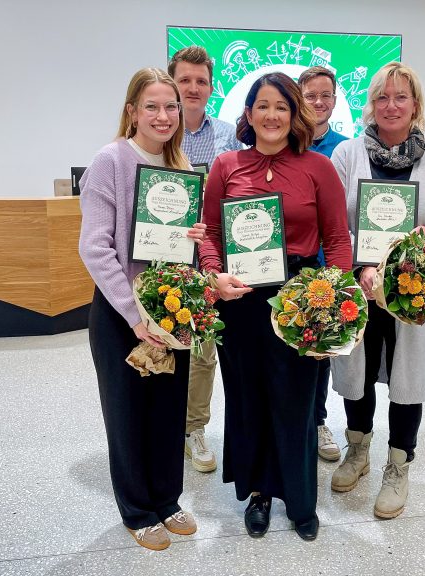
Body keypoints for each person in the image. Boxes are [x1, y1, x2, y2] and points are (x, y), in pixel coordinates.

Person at [199, 72, 352, 541]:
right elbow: (209, 234)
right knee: (249, 399)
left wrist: (338, 307)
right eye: (262, 106)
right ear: (248, 115)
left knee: (298, 401)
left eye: (281, 107)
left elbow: (336, 239)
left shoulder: (317, 168)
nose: (271, 115)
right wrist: (214, 274)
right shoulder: (226, 166)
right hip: (241, 300)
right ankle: (260, 493)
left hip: (301, 299)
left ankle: (301, 497)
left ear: (295, 114)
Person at [78, 68, 206, 551]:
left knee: (168, 411)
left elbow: (180, 252)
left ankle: (167, 500)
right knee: (129, 413)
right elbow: (96, 248)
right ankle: (137, 510)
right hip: (122, 314)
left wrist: (194, 243)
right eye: (151, 106)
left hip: (172, 312)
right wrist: (135, 315)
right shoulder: (109, 162)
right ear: (132, 110)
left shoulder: (182, 169)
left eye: (171, 107)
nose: (163, 115)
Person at [329, 61, 425, 519]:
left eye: (400, 97)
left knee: (408, 379)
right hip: (358, 285)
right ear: (372, 104)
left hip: (411, 289)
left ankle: (399, 465)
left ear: (415, 105)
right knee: (356, 373)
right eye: (382, 97)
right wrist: (360, 264)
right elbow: (333, 225)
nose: (391, 105)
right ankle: (358, 450)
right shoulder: (348, 154)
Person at [168, 46, 242, 474]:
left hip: (212, 258)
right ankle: (164, 425)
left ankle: (194, 429)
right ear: (172, 82)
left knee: (203, 349)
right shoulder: (160, 134)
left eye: (201, 81)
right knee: (159, 342)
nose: (193, 88)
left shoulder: (229, 135)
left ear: (211, 87)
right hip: (163, 259)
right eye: (185, 80)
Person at [297, 66, 349, 463]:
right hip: (285, 268)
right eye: (310, 95)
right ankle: (290, 424)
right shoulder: (287, 144)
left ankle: (316, 422)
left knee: (320, 350)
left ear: (335, 99)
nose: (318, 102)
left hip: (326, 269)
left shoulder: (345, 149)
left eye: (325, 95)